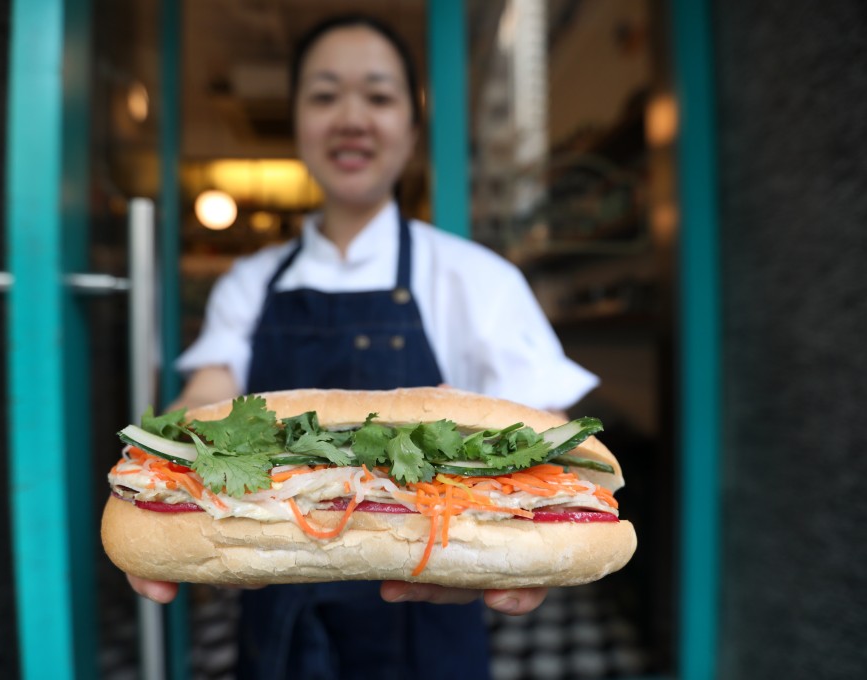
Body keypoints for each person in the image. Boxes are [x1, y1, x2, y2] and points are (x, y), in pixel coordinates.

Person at [127, 13, 599, 679]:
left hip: (428, 614)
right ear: (298, 122)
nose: (351, 117)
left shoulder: (479, 278)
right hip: (278, 611)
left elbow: (547, 440)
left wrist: (543, 528)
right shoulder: (250, 281)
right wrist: (161, 478)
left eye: (378, 96)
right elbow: (211, 390)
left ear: (412, 125)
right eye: (324, 96)